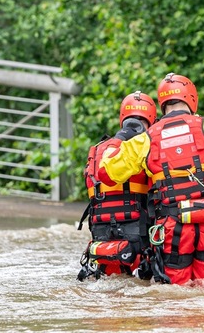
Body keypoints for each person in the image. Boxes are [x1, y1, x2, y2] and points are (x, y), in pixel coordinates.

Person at [95, 73, 204, 286]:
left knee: (175, 306)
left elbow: (105, 172)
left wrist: (121, 138)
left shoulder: (146, 140)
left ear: (162, 104)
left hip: (173, 233)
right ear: (192, 98)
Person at [77, 91, 157, 281]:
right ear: (152, 118)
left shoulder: (96, 151)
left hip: (101, 237)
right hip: (139, 236)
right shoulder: (147, 145)